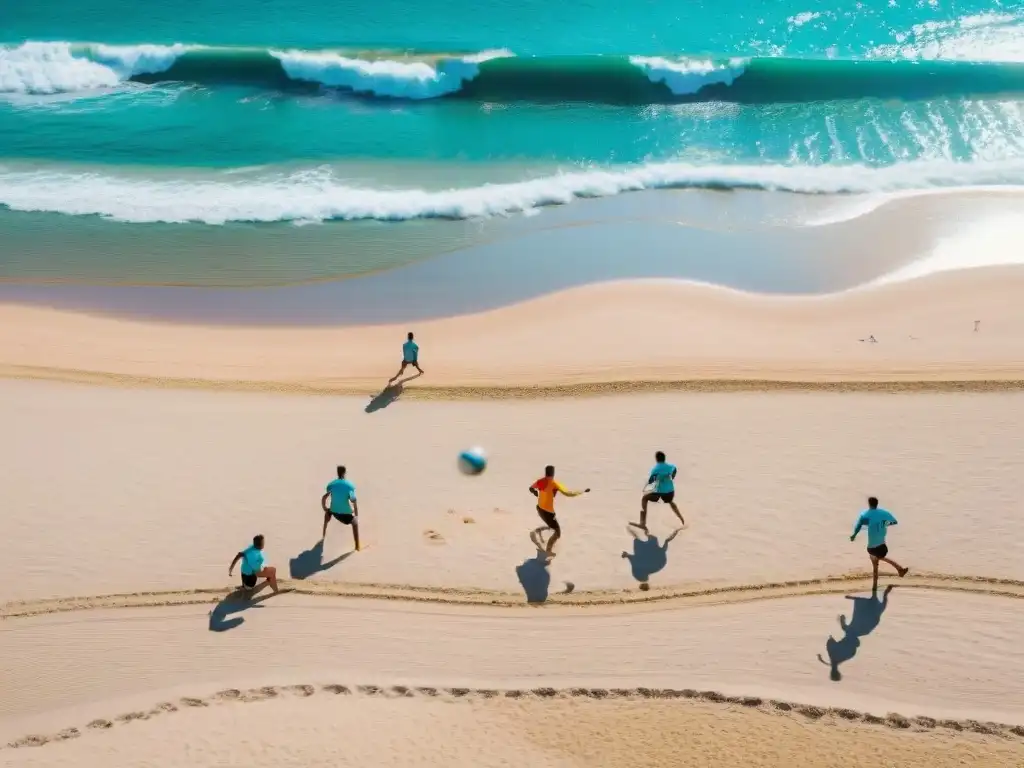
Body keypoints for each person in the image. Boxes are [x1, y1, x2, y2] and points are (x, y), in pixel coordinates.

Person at [529, 465, 589, 560]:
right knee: (557, 532)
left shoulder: (540, 481)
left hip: (539, 509)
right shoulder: (554, 483)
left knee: (551, 525)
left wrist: (535, 493)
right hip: (548, 513)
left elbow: (531, 488)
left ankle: (542, 532)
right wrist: (581, 492)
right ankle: (548, 550)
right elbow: (568, 493)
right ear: (553, 473)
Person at [851, 497, 909, 586]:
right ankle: (899, 569)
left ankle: (875, 585)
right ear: (877, 504)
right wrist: (884, 523)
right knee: (879, 558)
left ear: (869, 503)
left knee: (875, 563)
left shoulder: (864, 514)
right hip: (882, 547)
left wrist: (854, 535)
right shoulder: (883, 513)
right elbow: (894, 521)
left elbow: (858, 527)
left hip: (871, 548)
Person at [637, 450, 685, 530]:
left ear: (656, 459)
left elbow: (652, 481)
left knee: (644, 498)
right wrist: (672, 476)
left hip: (659, 493)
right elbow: (674, 469)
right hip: (670, 492)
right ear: (664, 458)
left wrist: (648, 485)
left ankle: (643, 523)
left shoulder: (655, 469)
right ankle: (681, 518)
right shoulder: (669, 466)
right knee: (670, 502)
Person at [322, 465, 361, 551]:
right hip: (345, 514)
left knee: (327, 515)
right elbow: (353, 500)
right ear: (345, 473)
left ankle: (323, 535)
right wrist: (356, 514)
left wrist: (325, 508)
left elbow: (324, 497)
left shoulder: (331, 485)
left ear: (337, 472)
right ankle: (357, 546)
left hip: (334, 512)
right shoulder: (349, 486)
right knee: (355, 522)